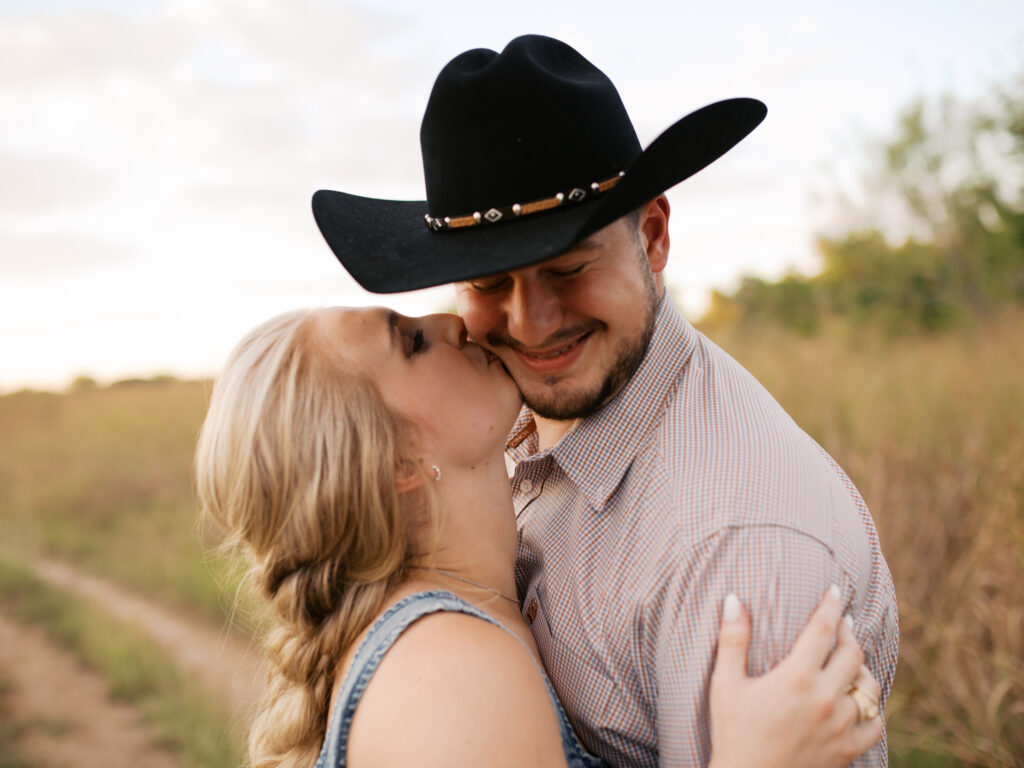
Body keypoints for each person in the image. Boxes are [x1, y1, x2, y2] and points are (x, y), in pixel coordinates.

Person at [310, 34, 899, 766]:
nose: (530, 323)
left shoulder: (738, 550)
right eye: (491, 284)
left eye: (568, 269)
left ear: (652, 237)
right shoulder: (503, 419)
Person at [195, 305, 883, 768]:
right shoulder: (452, 680)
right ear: (394, 464)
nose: (452, 321)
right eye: (410, 341)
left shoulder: (471, 620)